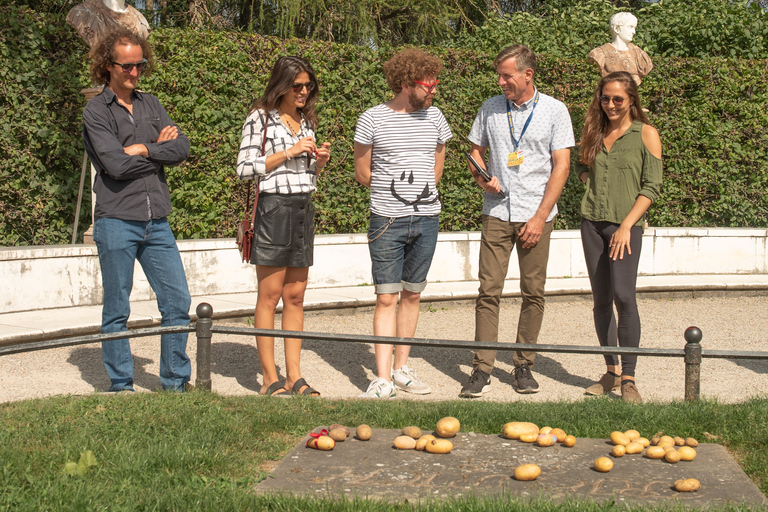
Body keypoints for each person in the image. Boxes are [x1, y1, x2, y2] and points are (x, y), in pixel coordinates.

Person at [460, 44, 574, 398]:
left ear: (528, 74)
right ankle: (482, 369)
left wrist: (540, 217)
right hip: (496, 212)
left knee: (533, 293)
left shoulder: (555, 110)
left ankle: (523, 364)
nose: (501, 81)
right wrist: (481, 176)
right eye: (500, 74)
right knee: (488, 291)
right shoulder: (490, 107)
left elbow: (562, 166)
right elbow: (474, 151)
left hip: (536, 215)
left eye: (506, 75)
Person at [82, 28, 191, 392]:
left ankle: (175, 384)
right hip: (116, 220)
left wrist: (142, 150)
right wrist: (156, 151)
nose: (134, 72)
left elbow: (181, 149)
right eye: (126, 66)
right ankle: (121, 385)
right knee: (117, 309)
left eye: (139, 64)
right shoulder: (96, 110)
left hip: (156, 219)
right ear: (107, 66)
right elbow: (114, 164)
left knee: (177, 300)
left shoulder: (151, 103)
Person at [354, 48, 452, 399]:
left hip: (427, 219)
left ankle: (401, 369)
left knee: (412, 294)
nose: (435, 91)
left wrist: (422, 194)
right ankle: (382, 378)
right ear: (408, 83)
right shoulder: (371, 119)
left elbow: (438, 162)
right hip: (387, 219)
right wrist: (395, 195)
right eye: (430, 84)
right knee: (386, 298)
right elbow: (363, 172)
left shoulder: (436, 117)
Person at [236, 56, 331, 397]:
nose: (304, 91)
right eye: (297, 86)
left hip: (303, 209)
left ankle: (295, 377)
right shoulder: (260, 119)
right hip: (274, 210)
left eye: (309, 85)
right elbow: (245, 168)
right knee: (270, 295)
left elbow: (308, 178)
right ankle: (268, 377)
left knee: (295, 296)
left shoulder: (306, 121)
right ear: (282, 85)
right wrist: (290, 152)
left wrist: (317, 164)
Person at [576, 71, 662, 403]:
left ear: (631, 101)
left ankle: (629, 378)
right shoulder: (594, 132)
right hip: (592, 226)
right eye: (605, 98)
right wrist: (588, 181)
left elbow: (651, 187)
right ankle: (610, 372)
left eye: (617, 99)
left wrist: (627, 225)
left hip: (624, 229)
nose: (610, 104)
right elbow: (580, 168)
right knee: (600, 301)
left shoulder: (646, 134)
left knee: (624, 298)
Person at [588, 12, 653, 86]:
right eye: (630, 27)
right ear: (616, 29)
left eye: (634, 28)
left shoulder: (639, 54)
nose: (634, 32)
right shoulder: (599, 53)